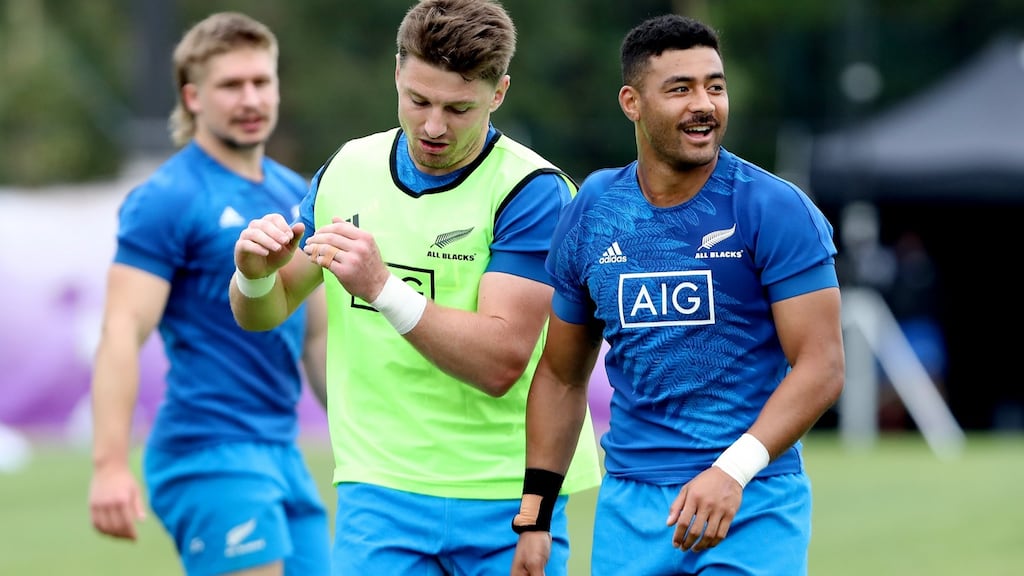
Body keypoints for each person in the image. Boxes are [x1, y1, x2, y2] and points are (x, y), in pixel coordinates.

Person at [229, 1, 601, 574]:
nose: (433, 126)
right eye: (419, 100)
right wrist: (252, 275)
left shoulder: (532, 191)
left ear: (498, 93)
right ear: (397, 73)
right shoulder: (349, 168)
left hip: (504, 495)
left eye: (458, 108)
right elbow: (267, 310)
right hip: (378, 491)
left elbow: (500, 362)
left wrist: (382, 287)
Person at [510, 14, 845, 576]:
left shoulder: (773, 207)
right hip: (631, 511)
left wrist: (732, 471)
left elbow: (822, 365)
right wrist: (536, 516)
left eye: (715, 86)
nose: (704, 104)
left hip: (752, 501)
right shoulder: (594, 209)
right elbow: (561, 377)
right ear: (632, 103)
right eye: (681, 89)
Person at [88, 12, 331, 576]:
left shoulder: (299, 193)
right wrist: (108, 466)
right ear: (193, 97)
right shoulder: (166, 198)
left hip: (283, 451)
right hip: (208, 451)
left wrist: (363, 438)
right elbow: (121, 330)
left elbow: (317, 337)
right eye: (231, 85)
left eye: (261, 81)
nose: (251, 99)